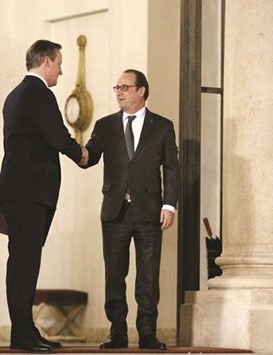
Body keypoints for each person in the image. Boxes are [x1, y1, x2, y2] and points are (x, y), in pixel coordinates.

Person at [0, 39, 88, 353]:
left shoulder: (15, 94)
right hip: (29, 193)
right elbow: (58, 136)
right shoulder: (39, 94)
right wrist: (82, 154)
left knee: (21, 262)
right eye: (59, 63)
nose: (61, 71)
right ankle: (22, 334)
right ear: (46, 61)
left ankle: (22, 331)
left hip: (18, 192)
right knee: (24, 263)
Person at [83, 69, 180, 350]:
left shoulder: (162, 126)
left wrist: (169, 205)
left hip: (150, 213)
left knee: (148, 277)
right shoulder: (104, 125)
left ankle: (148, 334)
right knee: (114, 275)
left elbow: (172, 169)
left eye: (125, 87)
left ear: (142, 91)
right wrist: (70, 148)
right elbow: (89, 157)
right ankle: (118, 333)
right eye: (116, 88)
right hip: (115, 213)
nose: (119, 92)